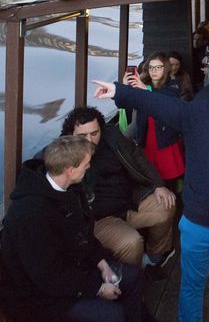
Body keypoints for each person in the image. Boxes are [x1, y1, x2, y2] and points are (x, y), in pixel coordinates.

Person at [93, 75, 209, 322]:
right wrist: (120, 92)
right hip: (197, 223)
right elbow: (163, 106)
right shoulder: (203, 114)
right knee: (192, 285)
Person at [0, 136, 145, 322]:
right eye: (86, 164)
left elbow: (83, 236)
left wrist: (103, 264)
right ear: (70, 170)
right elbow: (48, 276)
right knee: (113, 316)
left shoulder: (70, 189)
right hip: (43, 296)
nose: (89, 167)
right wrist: (98, 288)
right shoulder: (30, 215)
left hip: (75, 271)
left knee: (133, 278)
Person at [59, 107, 176, 270]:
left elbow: (136, 154)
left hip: (129, 201)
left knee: (166, 204)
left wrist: (158, 184)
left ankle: (154, 257)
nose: (90, 140)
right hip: (98, 218)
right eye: (82, 136)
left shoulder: (111, 135)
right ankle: (130, 278)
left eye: (94, 133)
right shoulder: (64, 155)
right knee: (132, 242)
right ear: (71, 134)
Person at [125, 52, 185, 190]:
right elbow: (123, 105)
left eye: (158, 67)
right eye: (151, 68)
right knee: (150, 179)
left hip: (165, 141)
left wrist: (146, 89)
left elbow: (169, 100)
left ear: (166, 68)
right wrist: (125, 88)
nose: (154, 71)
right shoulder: (143, 84)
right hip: (147, 140)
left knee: (169, 182)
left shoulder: (173, 85)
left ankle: (173, 207)